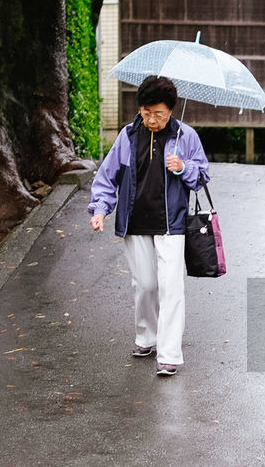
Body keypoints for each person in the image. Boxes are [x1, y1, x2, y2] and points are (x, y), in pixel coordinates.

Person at [87, 75, 210, 377]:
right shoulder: (128, 135)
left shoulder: (186, 137)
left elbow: (203, 175)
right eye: (146, 111)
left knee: (171, 288)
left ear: (171, 110)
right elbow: (108, 175)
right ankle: (146, 336)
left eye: (158, 113)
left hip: (172, 222)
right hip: (135, 221)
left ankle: (169, 354)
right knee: (145, 285)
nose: (151, 119)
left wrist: (184, 168)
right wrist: (101, 209)